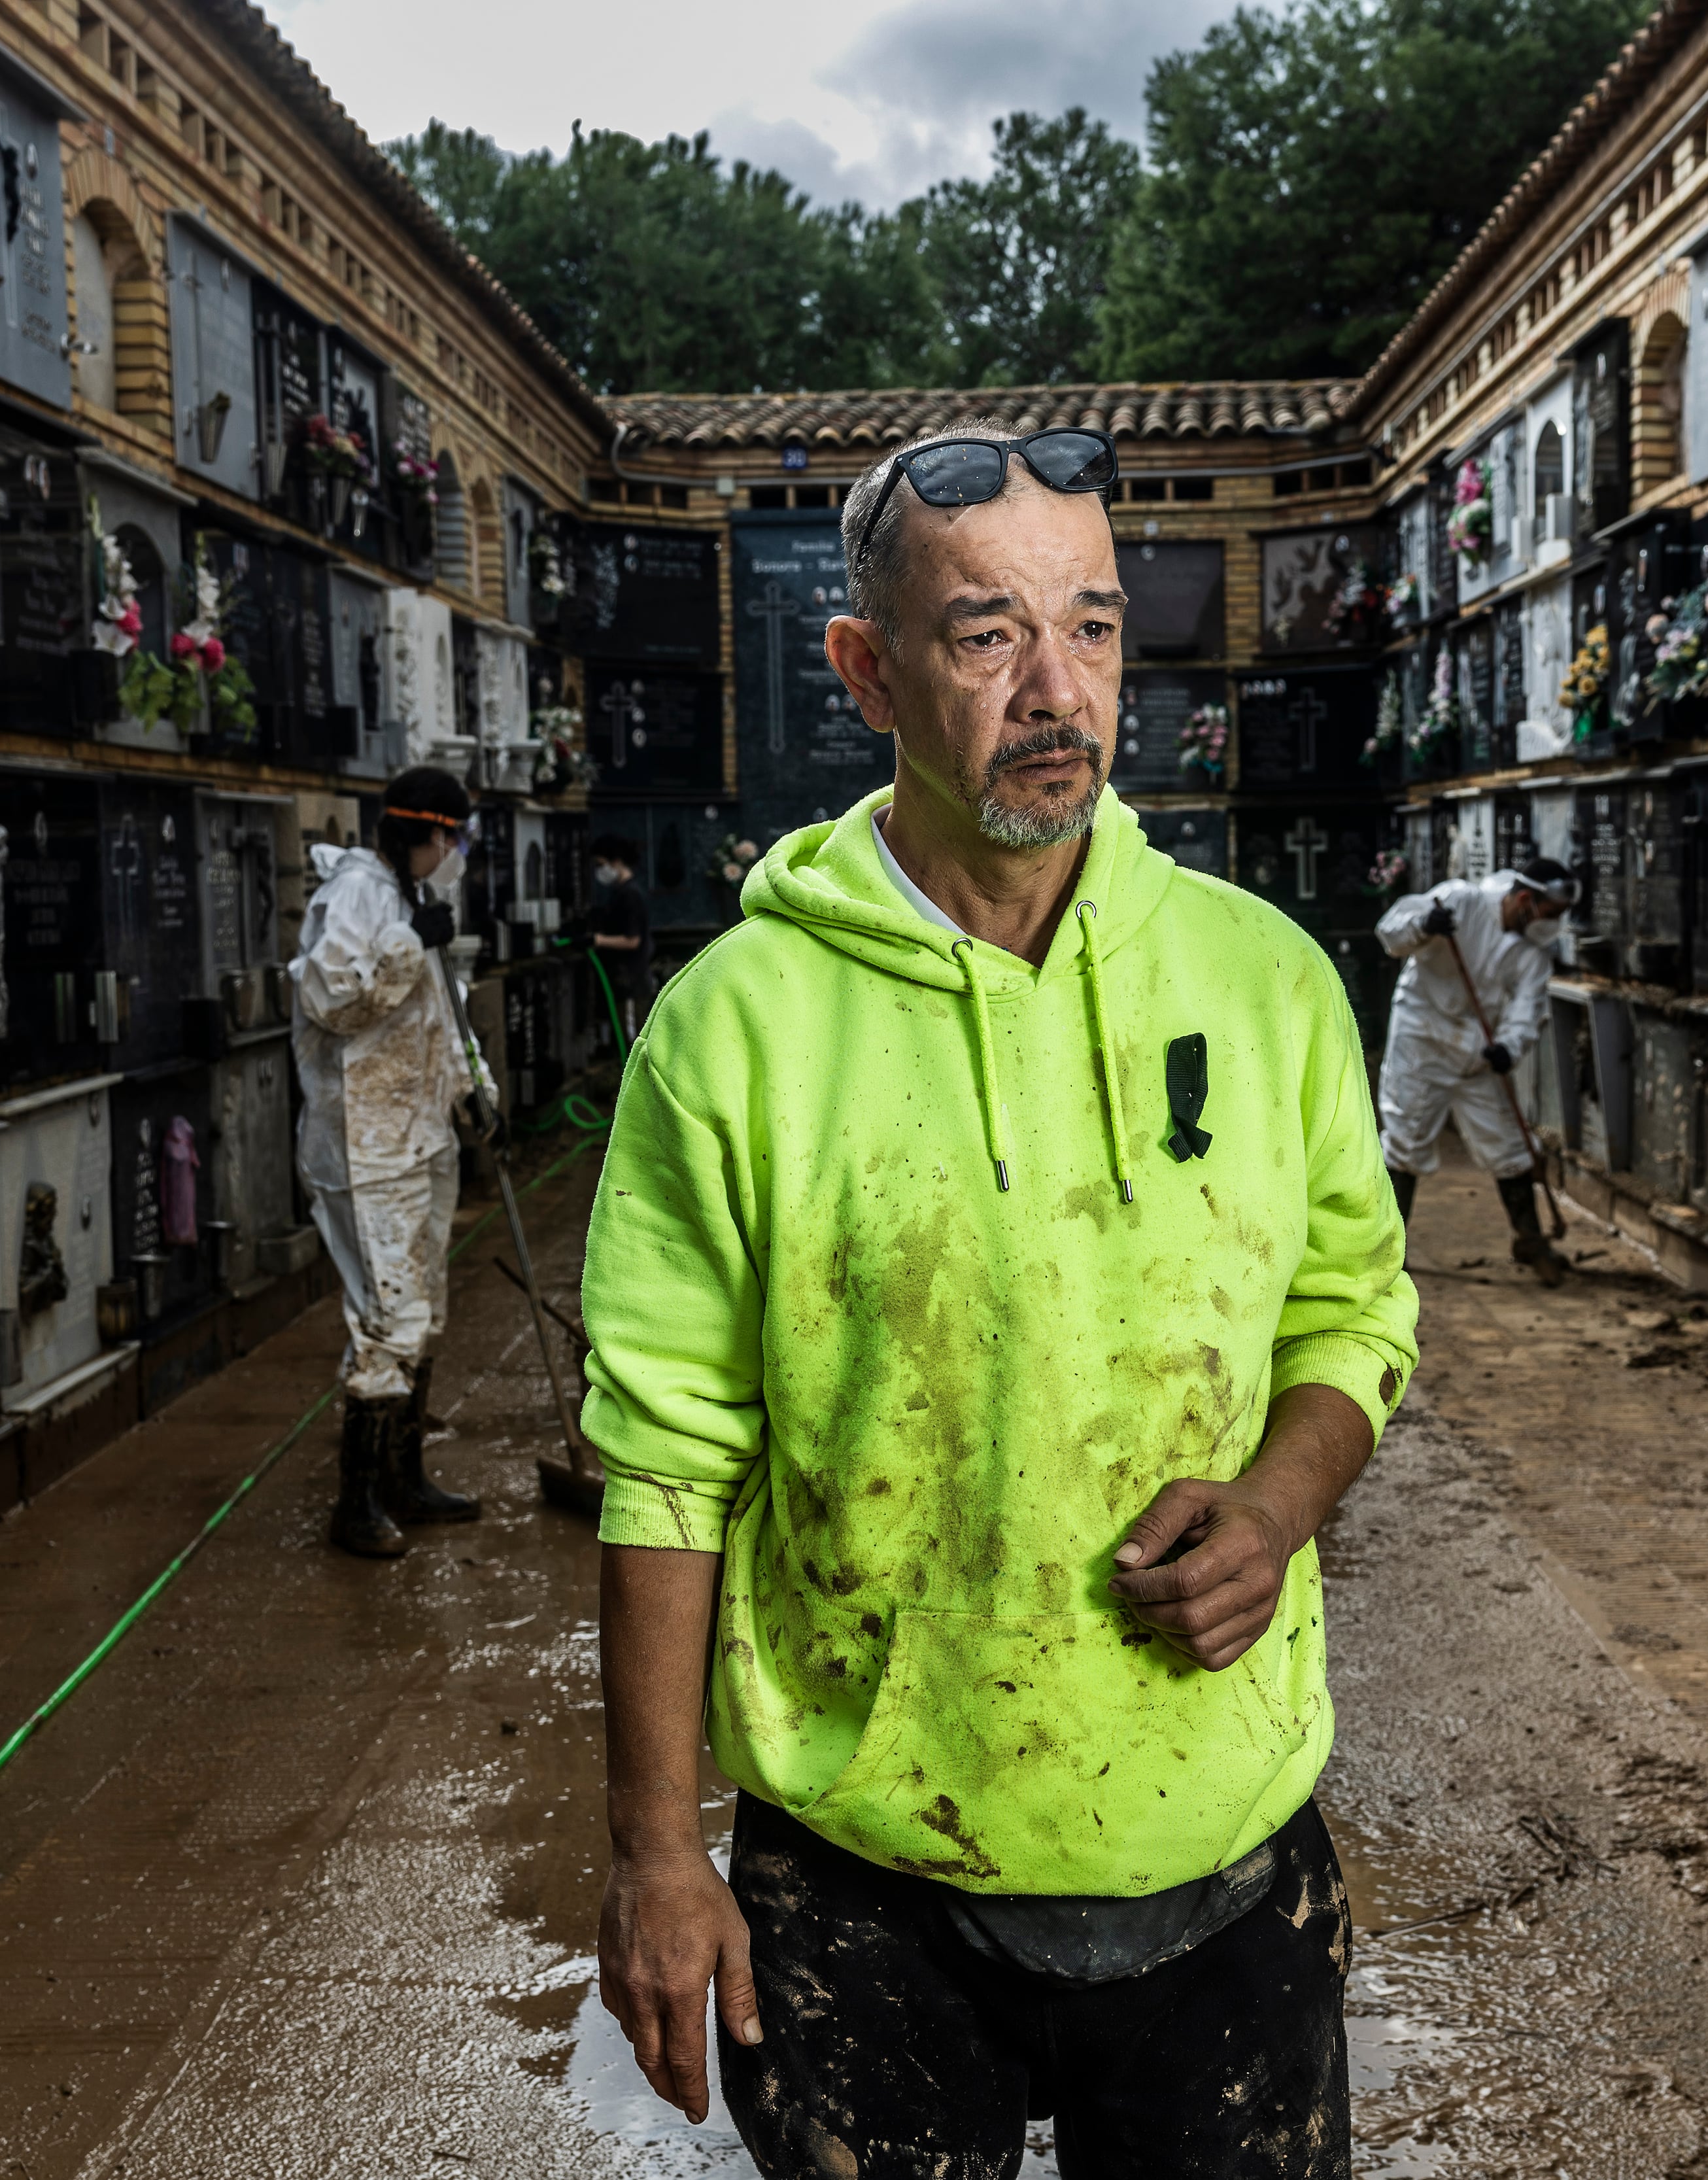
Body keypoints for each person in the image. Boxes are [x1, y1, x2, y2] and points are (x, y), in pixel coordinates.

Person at [580, 419, 1417, 2178]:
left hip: (1220, 1834)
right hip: (868, 1872)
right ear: (867, 670)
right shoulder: (739, 1029)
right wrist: (661, 1844)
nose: (1059, 689)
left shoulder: (1264, 984)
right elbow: (664, 1451)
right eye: (987, 635)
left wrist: (1278, 1501)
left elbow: (1355, 1309)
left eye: (1095, 627)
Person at [290, 767, 496, 1555]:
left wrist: (477, 1091)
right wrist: (413, 947)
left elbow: (443, 1014)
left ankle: (404, 1480)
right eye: (447, 837)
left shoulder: (414, 900)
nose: (452, 852)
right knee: (388, 1316)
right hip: (365, 1142)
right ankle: (356, 1503)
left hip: (421, 1134)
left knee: (424, 1313)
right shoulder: (354, 896)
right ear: (420, 833)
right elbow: (332, 1001)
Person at [1374, 854, 1579, 1285]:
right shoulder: (1460, 901)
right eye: (1551, 913)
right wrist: (1425, 926)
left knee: (1510, 1146)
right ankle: (1387, 1250)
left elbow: (1527, 1009)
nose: (1553, 924)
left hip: (1479, 1056)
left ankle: (1529, 1238)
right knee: (1406, 1142)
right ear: (1525, 899)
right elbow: (1390, 932)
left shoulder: (1531, 954)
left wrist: (1509, 1047)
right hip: (1422, 1040)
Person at [583, 833, 653, 1048]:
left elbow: (633, 941)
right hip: (623, 980)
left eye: (601, 864)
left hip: (631, 981)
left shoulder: (630, 895)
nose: (599, 871)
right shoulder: (619, 893)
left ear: (616, 861)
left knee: (633, 1044)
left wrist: (599, 940)